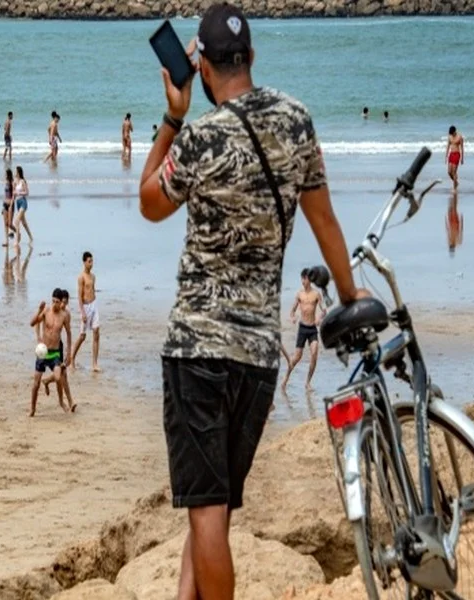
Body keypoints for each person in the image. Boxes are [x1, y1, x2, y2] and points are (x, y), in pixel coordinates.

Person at [137, 4, 367, 598]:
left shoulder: (203, 138)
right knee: (212, 509)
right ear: (252, 58)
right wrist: (349, 292)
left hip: (197, 347)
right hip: (259, 354)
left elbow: (149, 201)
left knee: (207, 513)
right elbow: (324, 218)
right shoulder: (297, 121)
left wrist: (172, 115)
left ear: (203, 68)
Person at [29, 289, 71, 417]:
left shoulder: (64, 316)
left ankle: (54, 392)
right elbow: (32, 323)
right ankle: (32, 409)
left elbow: (69, 333)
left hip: (55, 353)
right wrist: (38, 310)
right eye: (53, 301)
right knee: (36, 383)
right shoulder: (46, 311)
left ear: (61, 302)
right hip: (43, 352)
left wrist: (69, 353)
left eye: (57, 302)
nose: (54, 304)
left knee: (58, 377)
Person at [281, 269, 326, 391]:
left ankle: (307, 383)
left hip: (312, 329)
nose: (302, 281)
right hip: (302, 328)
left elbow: (324, 310)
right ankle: (285, 378)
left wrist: (319, 318)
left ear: (309, 279)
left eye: (304, 279)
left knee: (314, 352)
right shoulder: (299, 294)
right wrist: (292, 317)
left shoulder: (316, 294)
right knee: (296, 358)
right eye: (301, 279)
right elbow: (292, 311)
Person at [71, 251, 100, 372]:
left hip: (94, 305)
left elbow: (93, 290)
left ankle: (94, 363)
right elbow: (79, 295)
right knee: (82, 336)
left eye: (92, 261)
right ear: (84, 262)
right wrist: (82, 312)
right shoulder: (81, 277)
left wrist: (94, 304)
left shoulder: (93, 276)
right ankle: (72, 359)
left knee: (96, 332)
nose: (91, 264)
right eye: (89, 261)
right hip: (85, 306)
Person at [13, 165, 33, 245]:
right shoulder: (15, 182)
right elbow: (13, 194)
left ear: (18, 172)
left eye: (16, 171)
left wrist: (19, 193)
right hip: (17, 203)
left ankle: (17, 241)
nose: (15, 173)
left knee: (16, 221)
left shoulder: (22, 181)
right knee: (24, 223)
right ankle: (31, 237)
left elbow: (27, 192)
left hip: (23, 202)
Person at [2, 168, 18, 245]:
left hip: (10, 204)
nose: (4, 175)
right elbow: (5, 195)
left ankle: (17, 232)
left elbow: (14, 195)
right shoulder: (6, 183)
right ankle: (6, 241)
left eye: (5, 174)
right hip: (5, 204)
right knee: (5, 223)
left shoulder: (12, 183)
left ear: (8, 174)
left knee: (9, 224)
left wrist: (11, 205)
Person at [446, 125, 464, 189]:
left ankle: (454, 188)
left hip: (457, 154)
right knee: (449, 172)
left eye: (452, 133)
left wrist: (462, 158)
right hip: (451, 154)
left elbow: (462, 148)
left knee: (454, 172)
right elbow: (448, 147)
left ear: (455, 131)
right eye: (451, 134)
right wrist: (446, 157)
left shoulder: (460, 137)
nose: (452, 135)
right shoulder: (450, 137)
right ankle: (456, 182)